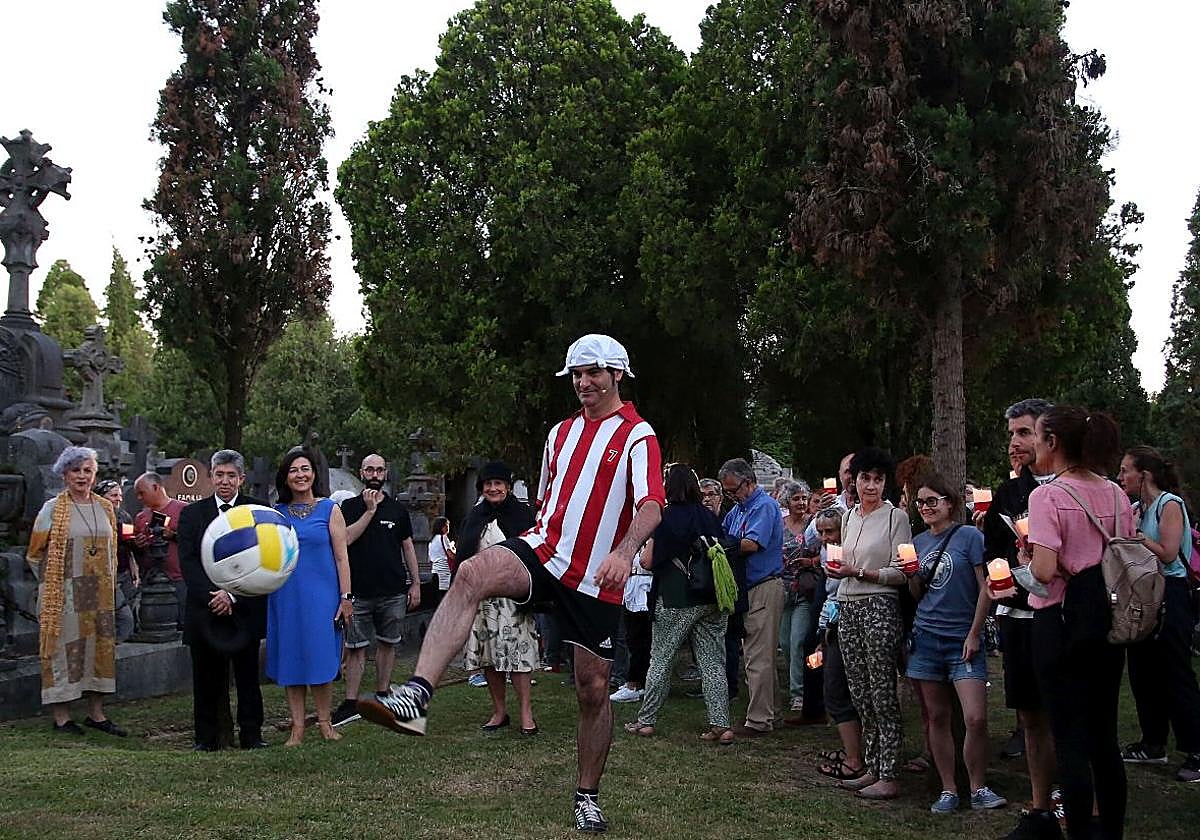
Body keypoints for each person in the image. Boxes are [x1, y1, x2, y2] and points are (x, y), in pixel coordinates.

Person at [358, 333, 664, 834]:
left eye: (593, 373)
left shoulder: (637, 435)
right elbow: (549, 502)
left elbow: (651, 504)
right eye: (577, 375)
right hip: (545, 551)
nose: (583, 383)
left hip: (595, 577)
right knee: (471, 573)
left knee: (592, 690)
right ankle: (416, 695)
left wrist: (624, 552)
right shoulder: (559, 433)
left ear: (617, 375)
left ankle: (587, 795)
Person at [1026, 407, 1132, 839]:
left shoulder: (1047, 496)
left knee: (1069, 738)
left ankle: (1081, 833)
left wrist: (1026, 560)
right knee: (1104, 737)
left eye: (1036, 437)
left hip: (1061, 621)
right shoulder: (1116, 494)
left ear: (1053, 442)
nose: (1034, 446)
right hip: (1109, 620)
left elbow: (1044, 570)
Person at [979, 398, 1061, 840]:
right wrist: (1001, 577)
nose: (1014, 443)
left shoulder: (1070, 487)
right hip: (1017, 613)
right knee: (1030, 715)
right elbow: (994, 551)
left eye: (1023, 433)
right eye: (1011, 434)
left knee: (1065, 712)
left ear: (1048, 435)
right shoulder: (1008, 493)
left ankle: (1075, 798)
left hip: (1061, 614)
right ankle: (1040, 804)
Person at [903, 473, 1006, 813]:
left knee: (975, 718)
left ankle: (978, 786)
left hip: (962, 638)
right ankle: (948, 788)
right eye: (920, 503)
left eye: (932, 501)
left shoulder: (969, 536)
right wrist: (911, 575)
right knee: (936, 717)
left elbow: (985, 587)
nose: (925, 507)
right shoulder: (917, 542)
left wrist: (975, 633)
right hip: (926, 637)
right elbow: (918, 594)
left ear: (949, 503)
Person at [825, 446, 911, 800]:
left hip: (879, 606)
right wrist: (837, 569)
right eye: (865, 478)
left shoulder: (895, 518)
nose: (871, 485)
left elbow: (902, 572)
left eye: (877, 479)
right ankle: (872, 766)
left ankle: (889, 772)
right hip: (847, 605)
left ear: (886, 482)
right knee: (860, 691)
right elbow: (842, 561)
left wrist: (860, 572)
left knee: (882, 692)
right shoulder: (849, 518)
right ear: (855, 481)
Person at [625, 464, 731, 743]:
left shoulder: (665, 517)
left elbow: (647, 561)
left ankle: (646, 721)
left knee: (661, 659)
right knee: (712, 662)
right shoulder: (709, 516)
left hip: (676, 597)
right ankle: (721, 724)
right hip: (711, 597)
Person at [26, 446, 125, 736]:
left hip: (100, 595)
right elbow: (34, 553)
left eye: (87, 471)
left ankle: (96, 714)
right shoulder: (53, 509)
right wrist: (52, 584)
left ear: (94, 475)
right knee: (63, 651)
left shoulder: (105, 507)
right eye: (76, 470)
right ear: (64, 474)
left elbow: (112, 548)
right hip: (65, 594)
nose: (82, 476)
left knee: (99, 650)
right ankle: (62, 717)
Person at [176, 449, 269, 751]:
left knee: (248, 678)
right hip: (205, 610)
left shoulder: (259, 511)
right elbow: (188, 562)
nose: (225, 481)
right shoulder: (192, 515)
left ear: (241, 478)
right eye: (219, 475)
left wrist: (232, 595)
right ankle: (206, 739)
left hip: (245, 608)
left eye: (231, 475)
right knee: (205, 679)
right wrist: (213, 595)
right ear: (211, 477)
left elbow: (265, 558)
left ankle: (252, 736)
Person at [1117, 446, 1200, 783]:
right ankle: (1153, 741)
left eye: (1125, 471)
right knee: (1142, 670)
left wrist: (1137, 539)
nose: (1121, 477)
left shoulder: (1169, 504)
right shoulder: (1137, 508)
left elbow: (1168, 552)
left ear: (1145, 475)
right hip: (1142, 594)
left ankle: (1196, 748)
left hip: (1171, 593)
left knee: (1174, 671)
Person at [267, 449, 354, 746]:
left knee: (321, 657)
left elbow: (342, 557)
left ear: (314, 474)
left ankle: (325, 723)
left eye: (305, 469)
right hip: (286, 596)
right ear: (285, 477)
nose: (300, 475)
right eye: (293, 470)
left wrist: (346, 597)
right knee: (291, 659)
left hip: (322, 597)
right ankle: (297, 727)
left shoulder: (330, 509)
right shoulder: (277, 513)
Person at [330, 454, 421, 727]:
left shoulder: (397, 510)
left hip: (392, 590)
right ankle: (351, 702)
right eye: (369, 469)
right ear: (361, 472)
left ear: (385, 474)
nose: (374, 475)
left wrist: (416, 582)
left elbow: (408, 547)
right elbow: (345, 540)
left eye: (379, 470)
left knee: (388, 643)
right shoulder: (348, 507)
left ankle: (382, 693)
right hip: (358, 591)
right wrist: (369, 511)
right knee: (355, 648)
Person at [457, 461, 539, 734]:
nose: (493, 488)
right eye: (488, 484)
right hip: (483, 598)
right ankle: (499, 711)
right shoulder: (474, 517)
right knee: (489, 656)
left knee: (519, 655)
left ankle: (526, 713)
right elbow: (465, 555)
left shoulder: (522, 515)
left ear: (508, 486)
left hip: (514, 598)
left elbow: (533, 553)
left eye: (498, 483)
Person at [719, 457, 784, 738]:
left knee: (757, 655)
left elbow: (751, 544)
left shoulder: (765, 506)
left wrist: (722, 545)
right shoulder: (738, 510)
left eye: (733, 490)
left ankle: (758, 720)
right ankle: (772, 712)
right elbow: (723, 532)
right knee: (760, 652)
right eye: (727, 492)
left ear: (748, 482)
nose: (731, 496)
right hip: (747, 587)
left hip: (763, 585)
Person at [812, 508, 866, 782]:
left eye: (830, 531)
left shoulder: (851, 554)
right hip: (830, 620)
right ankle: (851, 750)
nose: (825, 538)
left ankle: (854, 759)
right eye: (821, 532)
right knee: (834, 687)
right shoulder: (827, 553)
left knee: (838, 690)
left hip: (846, 621)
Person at [778, 481, 819, 718]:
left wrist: (810, 562)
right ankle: (796, 681)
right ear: (788, 502)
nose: (801, 503)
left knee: (798, 641)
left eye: (804, 498)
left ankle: (798, 693)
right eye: (796, 499)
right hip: (783, 592)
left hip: (805, 590)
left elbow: (826, 551)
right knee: (785, 643)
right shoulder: (780, 525)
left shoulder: (813, 525)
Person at [133, 471, 187, 628]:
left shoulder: (184, 510)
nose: (139, 498)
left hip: (178, 578)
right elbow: (137, 552)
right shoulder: (141, 517)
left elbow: (196, 542)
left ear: (156, 487)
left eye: (142, 493)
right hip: (151, 579)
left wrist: (173, 535)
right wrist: (138, 544)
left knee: (180, 624)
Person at [97, 479, 138, 642]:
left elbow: (129, 544)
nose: (118, 499)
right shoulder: (94, 518)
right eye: (114, 495)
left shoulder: (124, 517)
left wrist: (134, 567)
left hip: (123, 571)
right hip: (104, 574)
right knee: (123, 617)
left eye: (120, 495)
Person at [609, 549, 651, 704]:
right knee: (633, 639)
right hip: (633, 586)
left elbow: (645, 562)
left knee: (640, 640)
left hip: (644, 586)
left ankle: (634, 684)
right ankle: (638, 682)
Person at [428, 515, 456, 605]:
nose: (448, 527)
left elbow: (430, 559)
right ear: (441, 527)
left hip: (435, 571)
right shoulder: (443, 537)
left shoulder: (431, 541)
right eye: (446, 525)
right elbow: (451, 555)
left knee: (438, 598)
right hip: (444, 571)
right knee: (446, 597)